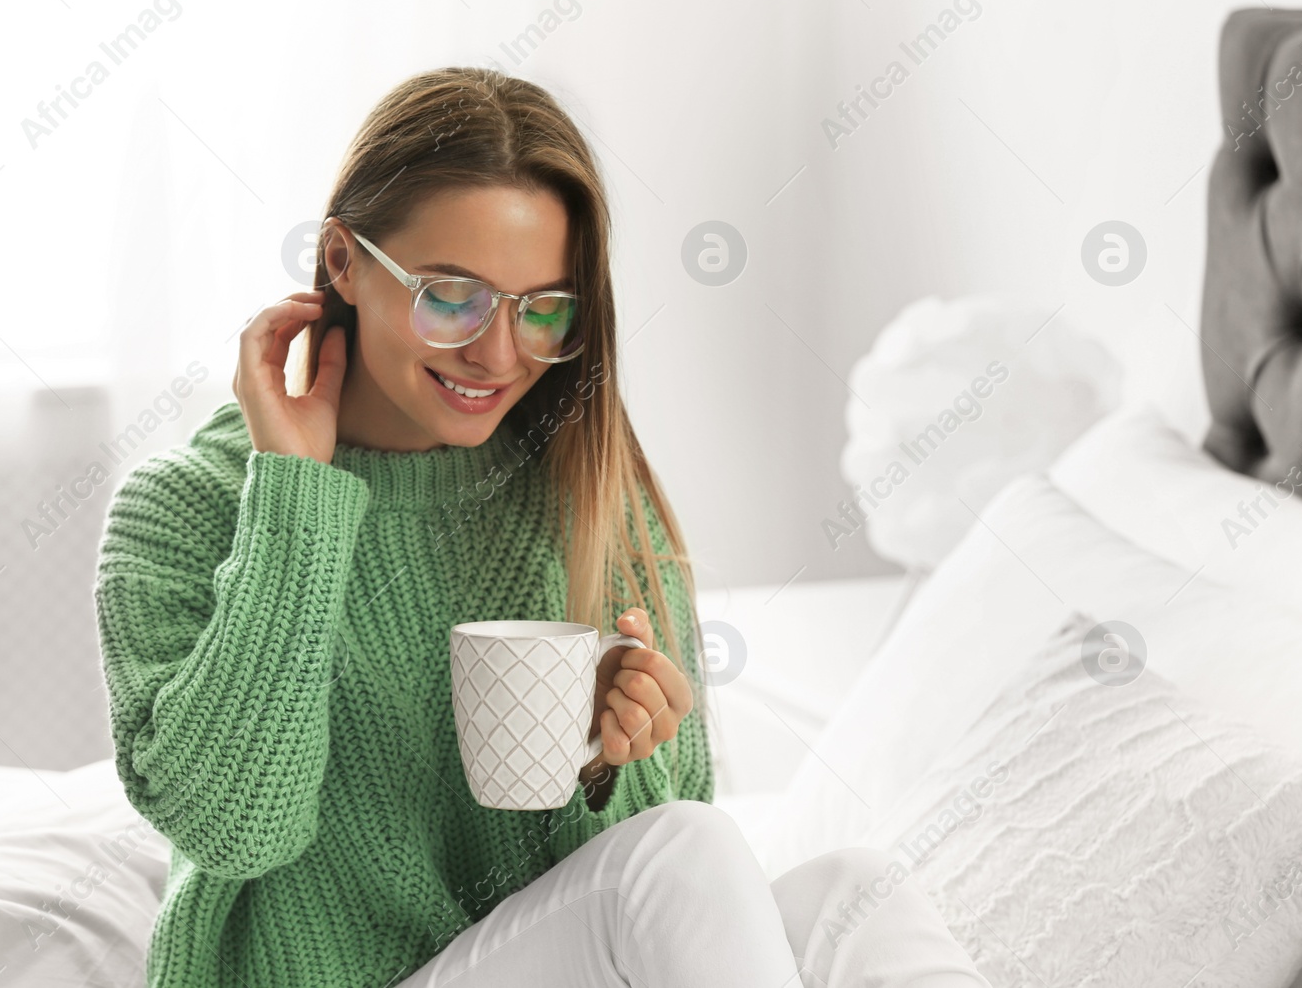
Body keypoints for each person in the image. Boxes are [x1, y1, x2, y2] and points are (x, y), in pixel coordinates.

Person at [93, 66, 991, 988]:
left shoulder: (590, 490)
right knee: (684, 849)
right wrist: (294, 491)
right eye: (453, 296)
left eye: (543, 309)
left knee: (857, 890)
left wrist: (613, 759)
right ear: (342, 261)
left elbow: (670, 912)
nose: (497, 352)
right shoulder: (182, 507)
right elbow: (234, 825)